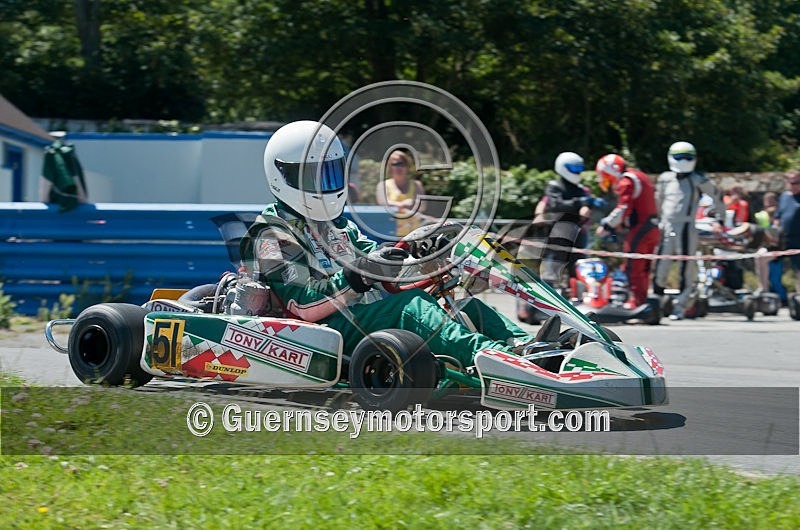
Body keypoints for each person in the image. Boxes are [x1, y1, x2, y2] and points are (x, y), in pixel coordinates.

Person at [239, 120, 542, 369]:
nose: (322, 185)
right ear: (283, 175)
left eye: (329, 173)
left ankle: (528, 347)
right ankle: (498, 359)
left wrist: (421, 258)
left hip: (361, 314)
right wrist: (358, 274)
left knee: (459, 300)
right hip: (320, 332)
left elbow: (373, 256)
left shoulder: (336, 224)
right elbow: (302, 304)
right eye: (312, 176)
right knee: (409, 309)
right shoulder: (271, 234)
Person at [652, 141, 724, 320]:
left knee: (686, 267)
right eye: (679, 157)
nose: (683, 160)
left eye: (688, 157)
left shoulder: (698, 179)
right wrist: (656, 221)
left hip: (687, 226)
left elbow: (717, 195)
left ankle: (681, 306)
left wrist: (719, 218)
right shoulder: (665, 178)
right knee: (660, 265)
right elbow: (657, 201)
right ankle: (657, 302)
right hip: (666, 225)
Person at [595, 154, 661, 308]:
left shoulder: (627, 181)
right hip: (652, 228)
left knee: (632, 267)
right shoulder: (640, 176)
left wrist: (607, 225)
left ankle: (635, 303)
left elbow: (623, 208)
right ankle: (642, 300)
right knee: (644, 268)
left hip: (640, 228)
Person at [538, 152, 605, 288]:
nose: (578, 172)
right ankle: (547, 302)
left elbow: (585, 210)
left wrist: (588, 205)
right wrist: (580, 202)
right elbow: (557, 205)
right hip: (557, 234)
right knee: (552, 271)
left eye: (579, 168)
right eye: (574, 168)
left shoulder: (582, 190)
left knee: (578, 271)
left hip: (577, 234)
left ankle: (577, 299)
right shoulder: (555, 186)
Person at [375, 149, 426, 236]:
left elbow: (422, 206)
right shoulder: (382, 185)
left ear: (407, 166)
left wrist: (397, 205)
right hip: (390, 233)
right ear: (390, 167)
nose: (398, 167)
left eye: (401, 164)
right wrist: (404, 204)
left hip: (413, 233)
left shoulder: (417, 184)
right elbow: (383, 203)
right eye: (394, 164)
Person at [753, 191, 787, 301]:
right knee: (759, 259)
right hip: (768, 247)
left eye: (772, 202)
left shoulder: (782, 213)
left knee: (775, 278)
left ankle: (783, 299)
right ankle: (763, 288)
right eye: (767, 202)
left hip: (779, 249)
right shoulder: (761, 216)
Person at [775, 171, 800, 297]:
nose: (792, 185)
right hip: (782, 239)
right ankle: (763, 290)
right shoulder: (784, 197)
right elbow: (777, 217)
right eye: (790, 183)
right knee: (761, 257)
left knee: (799, 270)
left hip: (798, 239)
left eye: (796, 183)